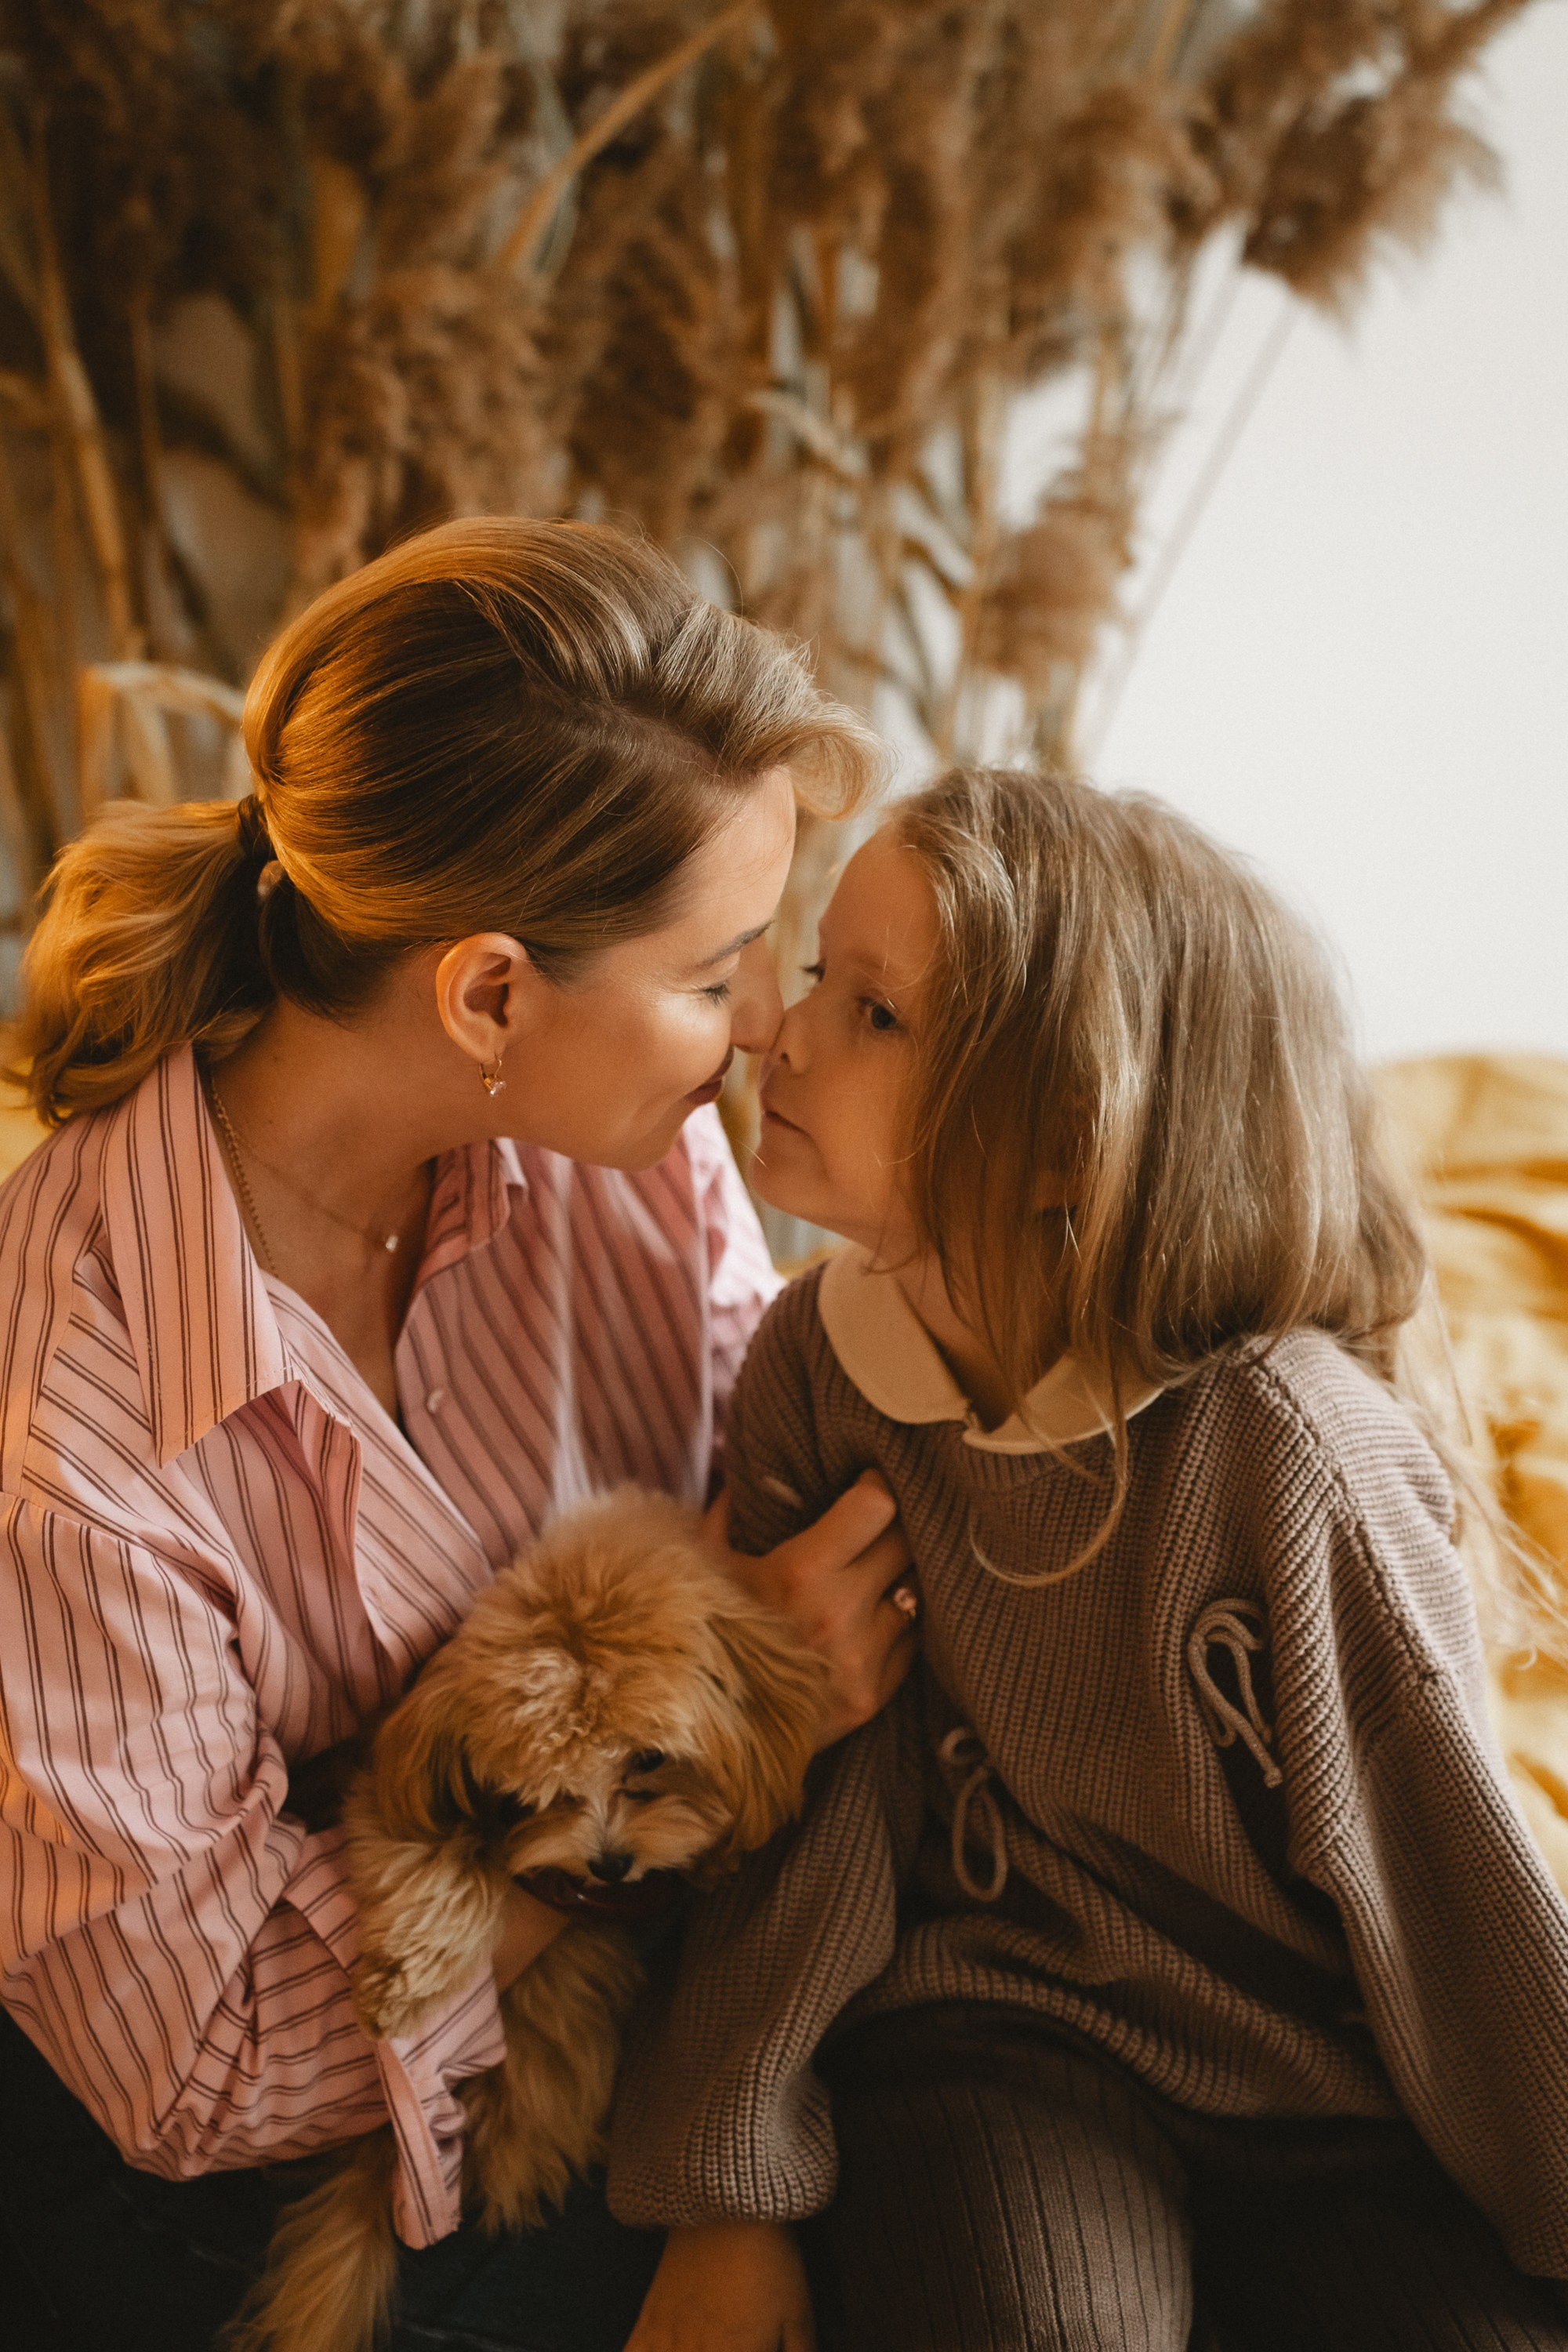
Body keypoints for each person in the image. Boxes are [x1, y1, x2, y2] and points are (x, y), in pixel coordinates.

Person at [0, 517, 917, 2352]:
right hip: (234, 2177)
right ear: (489, 993)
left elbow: (784, 1509)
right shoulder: (65, 1425)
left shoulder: (632, 1181)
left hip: (618, 2012)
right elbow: (202, 2066)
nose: (758, 1033)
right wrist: (653, 1800)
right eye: (716, 967)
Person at [612, 766, 1568, 2352]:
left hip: (1323, 2087)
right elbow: (821, 1797)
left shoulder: (1289, 1449)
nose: (778, 1035)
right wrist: (726, 2201)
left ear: (1067, 1136)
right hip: (994, 2049)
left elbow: (1448, 1872)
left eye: (873, 1015)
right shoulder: (811, 1371)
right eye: (810, 983)